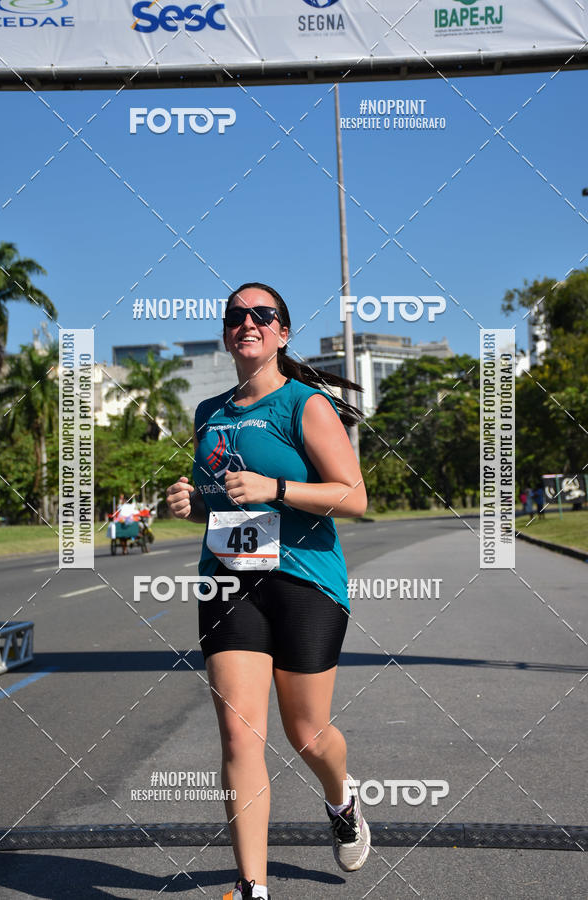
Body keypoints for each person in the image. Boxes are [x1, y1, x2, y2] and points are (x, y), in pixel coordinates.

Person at [166, 282, 371, 900]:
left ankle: (341, 799)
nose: (247, 322)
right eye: (236, 315)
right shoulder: (209, 413)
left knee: (306, 733)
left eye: (263, 314)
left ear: (282, 332)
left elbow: (353, 496)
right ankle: (251, 886)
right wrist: (191, 502)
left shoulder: (305, 404)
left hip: (304, 579)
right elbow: (222, 501)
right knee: (239, 735)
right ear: (227, 333)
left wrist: (274, 489)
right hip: (229, 578)